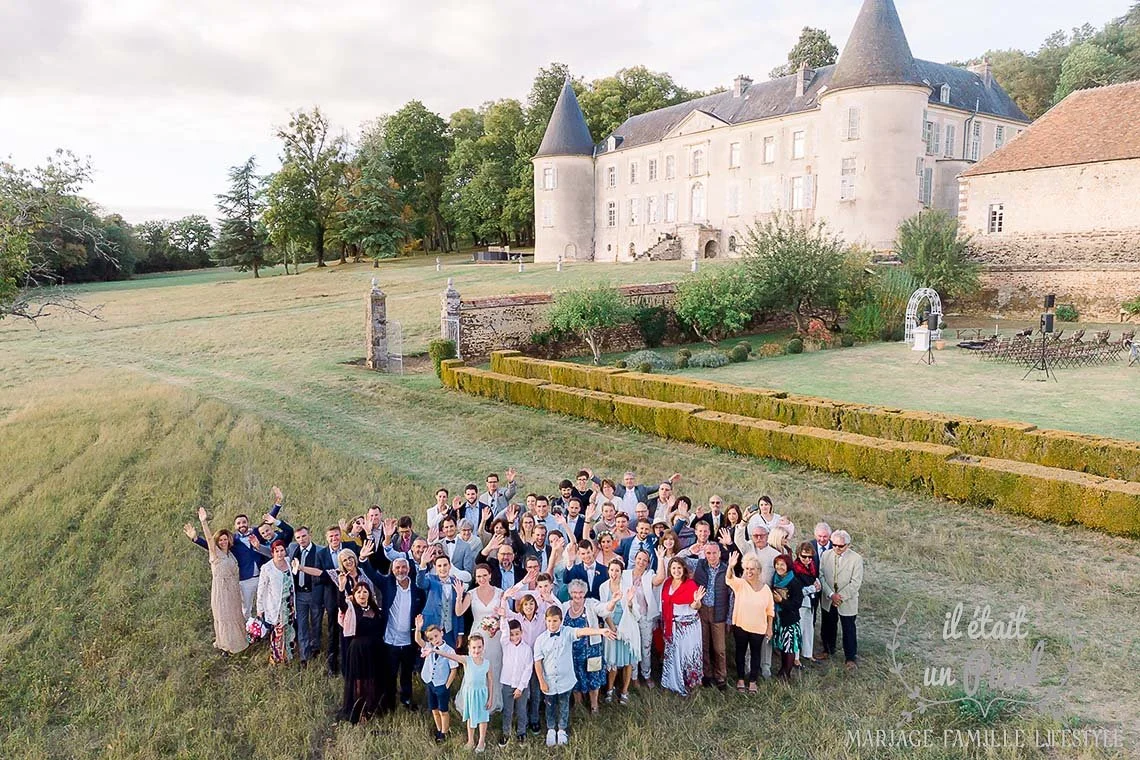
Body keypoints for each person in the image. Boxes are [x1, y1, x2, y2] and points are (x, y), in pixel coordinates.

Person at [533, 605, 615, 747]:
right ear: (545, 621)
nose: (552, 624)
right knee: (550, 706)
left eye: (555, 621)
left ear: (561, 621)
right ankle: (551, 729)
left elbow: (583, 631)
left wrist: (600, 631)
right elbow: (538, 662)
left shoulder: (567, 632)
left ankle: (562, 729)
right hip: (549, 681)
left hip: (565, 680)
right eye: (549, 621)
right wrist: (541, 681)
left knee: (564, 705)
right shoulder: (540, 640)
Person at [184, 507, 248, 654]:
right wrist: (204, 523)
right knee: (224, 617)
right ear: (217, 541)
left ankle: (239, 642)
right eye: (221, 540)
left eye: (226, 539)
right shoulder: (215, 554)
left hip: (233, 589)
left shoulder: (231, 554)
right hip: (221, 590)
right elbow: (208, 540)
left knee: (235, 614)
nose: (223, 541)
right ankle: (226, 646)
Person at [377, 557, 426, 712]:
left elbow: (421, 608)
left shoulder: (417, 589)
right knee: (390, 674)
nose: (401, 570)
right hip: (390, 640)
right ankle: (389, 703)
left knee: (406, 674)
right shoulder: (388, 584)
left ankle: (406, 700)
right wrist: (363, 558)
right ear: (392, 570)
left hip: (409, 641)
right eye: (397, 568)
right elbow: (371, 574)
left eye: (403, 567)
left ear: (409, 569)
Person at [562, 579, 617, 713]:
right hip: (572, 652)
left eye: (580, 593)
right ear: (570, 593)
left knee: (593, 677)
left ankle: (594, 706)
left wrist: (613, 602)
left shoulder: (591, 604)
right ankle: (578, 705)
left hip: (592, 649)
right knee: (575, 677)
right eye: (574, 592)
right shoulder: (564, 606)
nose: (578, 595)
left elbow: (604, 610)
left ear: (585, 593)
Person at [455, 564, 504, 713]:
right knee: (475, 668)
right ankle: (472, 700)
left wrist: (496, 627)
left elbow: (504, 615)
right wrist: (459, 596)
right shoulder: (471, 594)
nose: (482, 579)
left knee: (494, 666)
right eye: (479, 576)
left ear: (490, 575)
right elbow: (459, 612)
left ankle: (492, 700)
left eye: (484, 575)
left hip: (494, 635)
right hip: (477, 636)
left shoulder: (500, 593)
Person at [433, 633, 494, 752]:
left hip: (482, 694)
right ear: (469, 648)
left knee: (482, 718)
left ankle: (482, 741)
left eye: (479, 647)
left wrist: (490, 698)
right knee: (470, 717)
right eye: (474, 647)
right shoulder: (466, 660)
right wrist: (434, 651)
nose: (477, 650)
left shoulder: (487, 663)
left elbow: (490, 681)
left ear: (483, 647)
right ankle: (470, 740)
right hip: (470, 694)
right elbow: (450, 655)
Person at [337, 576, 385, 723]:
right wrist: (341, 587)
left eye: (365, 592)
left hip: (375, 650)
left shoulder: (376, 609)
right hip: (358, 650)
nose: (362, 595)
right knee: (359, 681)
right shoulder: (351, 609)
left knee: (372, 680)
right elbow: (341, 605)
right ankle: (358, 711)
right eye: (358, 592)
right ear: (354, 595)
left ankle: (370, 708)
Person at [726, 552, 775, 694]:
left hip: (758, 628)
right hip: (741, 625)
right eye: (747, 569)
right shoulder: (740, 584)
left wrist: (769, 628)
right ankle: (740, 679)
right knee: (740, 652)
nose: (749, 572)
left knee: (756, 654)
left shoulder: (766, 589)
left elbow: (770, 610)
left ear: (759, 571)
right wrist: (730, 566)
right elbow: (729, 579)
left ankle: (753, 681)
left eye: (752, 569)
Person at [657, 554, 704, 696]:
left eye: (679, 568)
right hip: (671, 624)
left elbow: (696, 606)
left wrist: (696, 601)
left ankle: (689, 684)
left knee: (687, 655)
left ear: (683, 569)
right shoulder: (666, 583)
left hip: (688, 627)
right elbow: (665, 603)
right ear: (670, 569)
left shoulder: (690, 585)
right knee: (672, 655)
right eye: (673, 568)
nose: (676, 571)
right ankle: (670, 683)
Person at [819, 529, 863, 670]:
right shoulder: (825, 555)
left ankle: (850, 657)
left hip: (847, 600)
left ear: (848, 545)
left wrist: (840, 597)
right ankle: (828, 649)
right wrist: (831, 594)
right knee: (828, 625)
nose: (837, 548)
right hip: (828, 598)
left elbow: (856, 583)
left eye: (840, 546)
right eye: (834, 545)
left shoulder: (856, 559)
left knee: (848, 628)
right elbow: (821, 576)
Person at [599, 558, 640, 704]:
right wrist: (612, 627)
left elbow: (635, 611)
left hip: (626, 627)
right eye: (612, 570)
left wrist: (629, 602)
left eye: (617, 570)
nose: (614, 573)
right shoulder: (603, 587)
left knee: (628, 661)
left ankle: (624, 691)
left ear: (621, 572)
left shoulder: (627, 587)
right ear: (608, 571)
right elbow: (604, 610)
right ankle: (610, 690)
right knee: (612, 662)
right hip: (611, 626)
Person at [288, 526, 330, 666]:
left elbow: (324, 574)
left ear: (310, 535)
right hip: (299, 595)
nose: (301, 540)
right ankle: (304, 656)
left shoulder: (320, 551)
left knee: (316, 623)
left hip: (315, 593)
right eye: (298, 537)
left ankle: (315, 646)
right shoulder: (293, 549)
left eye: (304, 536)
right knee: (302, 624)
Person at [415, 615, 459, 744]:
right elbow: (418, 640)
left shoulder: (449, 650)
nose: (435, 640)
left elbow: (453, 670)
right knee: (434, 709)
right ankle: (439, 729)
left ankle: (444, 732)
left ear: (442, 633)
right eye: (431, 638)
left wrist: (447, 686)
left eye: (436, 636)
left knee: (443, 710)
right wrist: (418, 629)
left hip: (441, 685)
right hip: (430, 683)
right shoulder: (428, 647)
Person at [692, 542, 729, 690]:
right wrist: (690, 550)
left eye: (714, 553)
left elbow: (731, 595)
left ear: (719, 553)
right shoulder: (700, 565)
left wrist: (729, 617)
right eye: (708, 553)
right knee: (704, 644)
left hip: (718, 611)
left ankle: (721, 676)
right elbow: (677, 558)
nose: (712, 556)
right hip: (702, 610)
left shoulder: (727, 569)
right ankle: (707, 674)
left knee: (719, 648)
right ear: (704, 554)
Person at [623, 548, 660, 687]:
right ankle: (633, 676)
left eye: (645, 560)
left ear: (648, 562)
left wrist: (660, 558)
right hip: (630, 616)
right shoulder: (625, 575)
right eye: (639, 558)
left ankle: (647, 674)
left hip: (645, 616)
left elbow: (660, 579)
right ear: (634, 559)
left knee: (646, 647)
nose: (641, 562)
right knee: (633, 647)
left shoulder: (649, 574)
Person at [416, 550, 466, 648]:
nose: (442, 568)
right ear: (435, 567)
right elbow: (420, 583)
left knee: (450, 658)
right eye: (439, 566)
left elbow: (460, 610)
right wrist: (423, 563)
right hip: (432, 628)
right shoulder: (430, 579)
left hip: (450, 630)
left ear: (449, 566)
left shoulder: (457, 582)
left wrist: (460, 633)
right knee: (431, 657)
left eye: (445, 565)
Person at [257, 539, 296, 664]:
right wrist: (260, 608)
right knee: (278, 631)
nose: (280, 554)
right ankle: (276, 658)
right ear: (272, 552)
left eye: (282, 550)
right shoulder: (267, 568)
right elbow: (261, 589)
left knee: (289, 630)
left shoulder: (289, 562)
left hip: (289, 604)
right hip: (276, 606)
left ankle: (288, 655)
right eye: (276, 551)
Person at [497, 617, 533, 747]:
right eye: (512, 634)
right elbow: (505, 631)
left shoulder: (527, 649)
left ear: (521, 633)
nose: (514, 637)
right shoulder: (505, 645)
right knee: (508, 710)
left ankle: (521, 733)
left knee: (522, 709)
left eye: (517, 634)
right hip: (507, 683)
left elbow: (528, 669)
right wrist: (503, 615)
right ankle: (506, 732)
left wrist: (520, 687)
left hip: (521, 686)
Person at [770, 554, 805, 679]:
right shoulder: (775, 578)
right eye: (777, 564)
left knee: (789, 646)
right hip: (778, 618)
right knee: (782, 645)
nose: (779, 567)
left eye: (782, 565)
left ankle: (786, 673)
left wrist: (781, 601)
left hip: (789, 619)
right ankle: (782, 669)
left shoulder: (794, 582)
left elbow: (797, 604)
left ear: (788, 566)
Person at [793, 541, 821, 664]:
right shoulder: (795, 568)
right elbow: (797, 590)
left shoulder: (812, 567)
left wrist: (817, 585)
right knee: (799, 628)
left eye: (810, 557)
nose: (807, 559)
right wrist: (814, 588)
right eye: (804, 556)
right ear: (798, 554)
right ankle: (796, 657)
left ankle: (808, 653)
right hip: (800, 603)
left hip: (811, 602)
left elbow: (815, 580)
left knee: (809, 627)